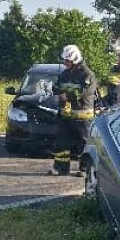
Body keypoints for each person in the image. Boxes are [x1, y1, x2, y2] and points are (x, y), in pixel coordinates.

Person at [49, 44, 97, 176]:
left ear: (75, 59)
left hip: (83, 117)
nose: (65, 63)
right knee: (61, 143)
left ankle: (84, 169)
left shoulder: (87, 75)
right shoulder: (64, 74)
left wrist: (66, 95)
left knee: (84, 144)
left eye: (67, 61)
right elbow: (57, 87)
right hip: (66, 115)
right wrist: (56, 91)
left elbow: (82, 92)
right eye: (64, 60)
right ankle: (61, 168)